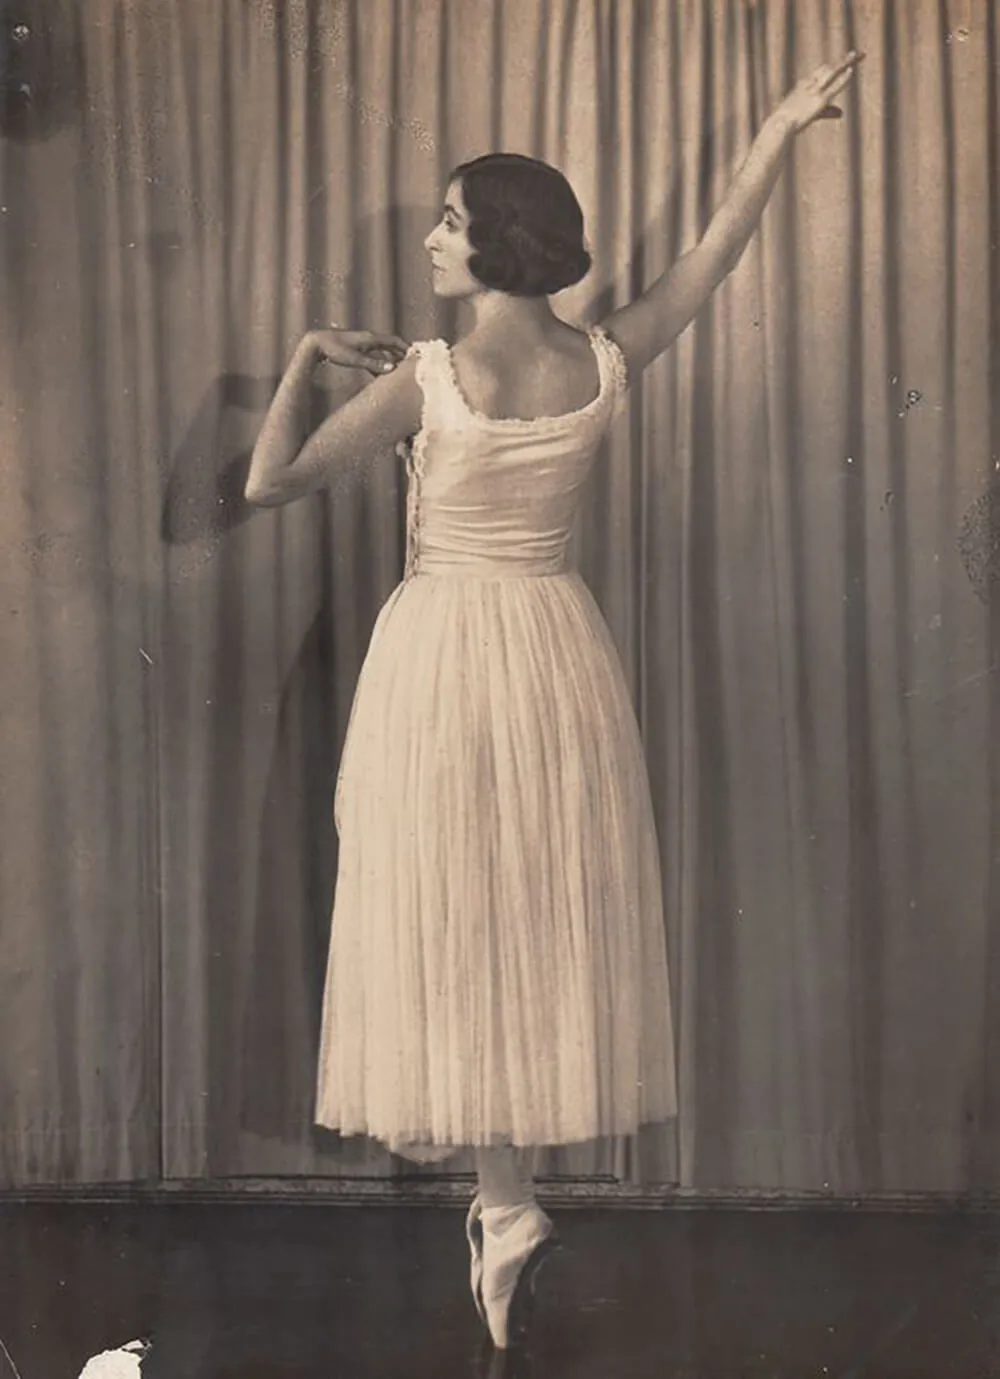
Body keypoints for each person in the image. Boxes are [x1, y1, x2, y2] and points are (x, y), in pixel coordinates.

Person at [246, 51, 863, 1353]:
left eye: (451, 222)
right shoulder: (603, 357)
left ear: (494, 247)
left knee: (456, 920)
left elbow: (272, 486)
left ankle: (506, 1199)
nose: (431, 238)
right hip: (555, 655)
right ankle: (505, 1201)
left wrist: (305, 354)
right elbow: (714, 258)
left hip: (445, 657)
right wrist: (777, 133)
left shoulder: (426, 375)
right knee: (519, 916)